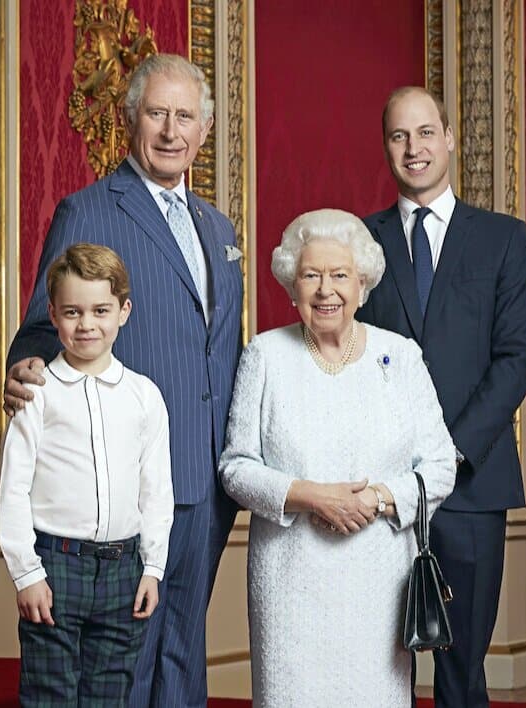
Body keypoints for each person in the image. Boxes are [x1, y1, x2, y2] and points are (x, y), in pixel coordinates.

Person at [3, 53, 243, 708]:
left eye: (185, 116)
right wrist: (24, 365)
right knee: (126, 657)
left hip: (207, 476)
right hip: (128, 476)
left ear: (204, 130)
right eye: (157, 113)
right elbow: (40, 327)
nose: (171, 130)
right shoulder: (87, 211)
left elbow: (223, 351)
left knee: (183, 646)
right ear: (131, 119)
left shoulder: (218, 229)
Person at [219, 209, 457, 707]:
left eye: (339, 275)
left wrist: (377, 498)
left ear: (363, 282)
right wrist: (311, 497)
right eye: (311, 275)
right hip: (290, 583)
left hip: (378, 583)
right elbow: (236, 467)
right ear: (292, 284)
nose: (326, 290)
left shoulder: (401, 356)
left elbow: (440, 466)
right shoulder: (264, 355)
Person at [357, 86, 526, 707]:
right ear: (386, 147)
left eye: (426, 133)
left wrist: (447, 456)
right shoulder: (360, 245)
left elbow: (514, 362)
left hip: (472, 483)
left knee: (462, 673)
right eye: (399, 136)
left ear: (450, 138)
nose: (414, 148)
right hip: (380, 489)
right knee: (377, 668)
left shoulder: (503, 240)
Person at [0, 244, 174, 706]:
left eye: (100, 310)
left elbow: (156, 493)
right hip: (55, 567)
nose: (87, 324)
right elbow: (10, 492)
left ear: (123, 311)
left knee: (110, 694)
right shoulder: (38, 394)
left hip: (124, 570)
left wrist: (152, 567)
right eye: (72, 312)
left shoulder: (144, 396)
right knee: (50, 694)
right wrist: (26, 574)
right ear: (53, 315)